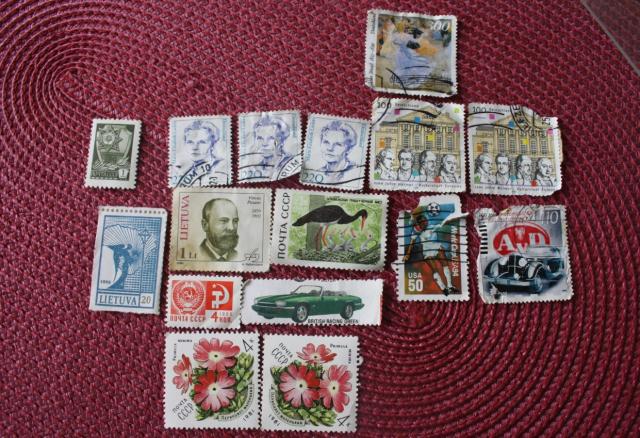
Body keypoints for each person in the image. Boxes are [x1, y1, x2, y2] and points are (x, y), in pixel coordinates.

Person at [403, 206, 459, 295]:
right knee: (434, 269)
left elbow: (443, 223)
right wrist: (407, 254)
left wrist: (452, 217)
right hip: (427, 251)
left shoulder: (432, 227)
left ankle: (450, 286)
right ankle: (443, 289)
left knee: (445, 264)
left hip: (436, 247)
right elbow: (412, 243)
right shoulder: (416, 231)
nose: (426, 222)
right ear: (419, 223)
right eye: (423, 221)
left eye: (426, 220)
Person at [173, 120, 226, 186]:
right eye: (190, 142)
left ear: (213, 144)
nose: (195, 147)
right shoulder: (179, 169)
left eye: (202, 142)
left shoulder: (221, 167)